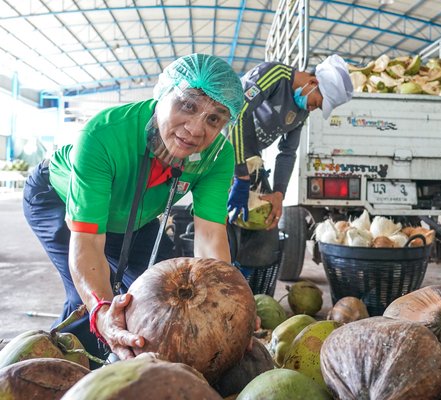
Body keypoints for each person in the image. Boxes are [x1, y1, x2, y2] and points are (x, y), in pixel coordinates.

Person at [22, 53, 244, 364]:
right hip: (57, 199)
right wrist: (102, 312)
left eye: (214, 119)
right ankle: (70, 370)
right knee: (86, 301)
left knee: (168, 290)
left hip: (132, 215)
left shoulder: (217, 156)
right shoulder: (104, 134)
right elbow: (87, 242)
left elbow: (209, 237)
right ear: (162, 95)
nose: (195, 129)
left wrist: (227, 306)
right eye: (188, 105)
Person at [227, 55, 353, 229]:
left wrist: (279, 193)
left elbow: (287, 152)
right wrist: (240, 175)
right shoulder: (275, 75)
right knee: (221, 222)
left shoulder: (302, 112)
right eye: (316, 103)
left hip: (251, 163)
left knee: (264, 226)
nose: (312, 108)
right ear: (313, 82)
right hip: (222, 152)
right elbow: (236, 113)